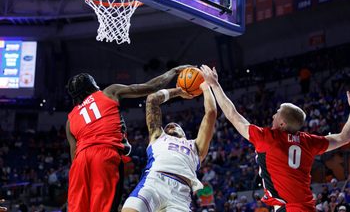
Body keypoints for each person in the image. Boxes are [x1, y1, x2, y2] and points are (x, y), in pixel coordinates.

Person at [200, 65, 350, 212]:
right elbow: (344, 137)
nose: (273, 116)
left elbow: (233, 115)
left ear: (283, 124)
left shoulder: (268, 138)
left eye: (277, 114)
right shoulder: (309, 141)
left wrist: (215, 85)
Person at [66, 65, 189, 212]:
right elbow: (152, 86)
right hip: (104, 155)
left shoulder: (69, 120)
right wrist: (174, 71)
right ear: (91, 86)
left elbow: (74, 155)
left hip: (79, 164)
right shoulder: (109, 92)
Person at [122, 82, 217, 212]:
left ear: (184, 134)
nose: (171, 126)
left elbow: (211, 113)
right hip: (153, 181)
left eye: (176, 125)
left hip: (181, 193)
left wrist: (205, 86)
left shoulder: (195, 145)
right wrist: (178, 91)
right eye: (168, 126)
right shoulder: (158, 136)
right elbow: (152, 100)